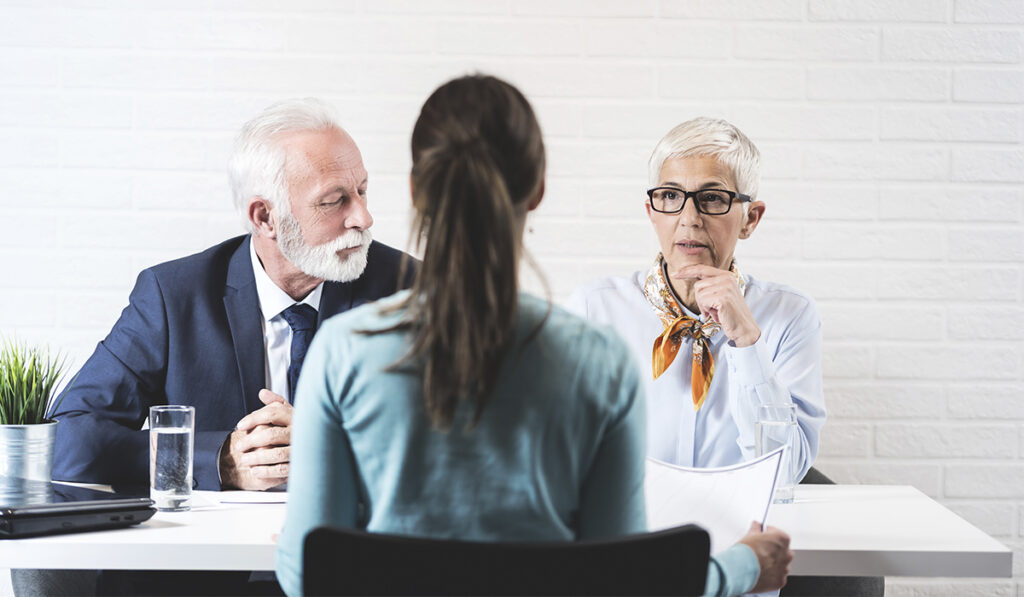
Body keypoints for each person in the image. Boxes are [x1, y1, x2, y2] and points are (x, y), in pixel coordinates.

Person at [275, 75, 792, 597]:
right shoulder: (599, 363)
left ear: (416, 189)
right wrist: (745, 565)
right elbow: (627, 581)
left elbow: (305, 574)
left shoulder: (341, 352)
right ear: (538, 189)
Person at [41, 97, 412, 596]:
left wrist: (331, 445)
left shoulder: (409, 289)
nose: (363, 218)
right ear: (265, 218)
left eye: (363, 191)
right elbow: (71, 438)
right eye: (335, 200)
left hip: (354, 575)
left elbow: (467, 439)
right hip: (196, 580)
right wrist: (221, 461)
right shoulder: (173, 295)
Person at [566, 117, 826, 480]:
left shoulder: (790, 315)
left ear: (750, 218)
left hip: (743, 530)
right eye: (670, 196)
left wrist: (748, 344)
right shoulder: (594, 310)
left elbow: (781, 475)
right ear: (651, 212)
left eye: (712, 198)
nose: (689, 219)